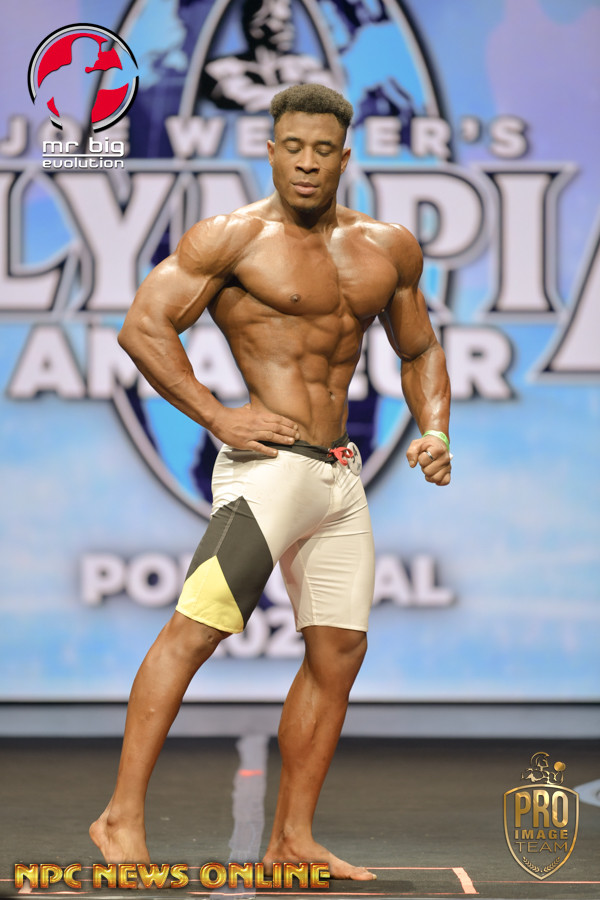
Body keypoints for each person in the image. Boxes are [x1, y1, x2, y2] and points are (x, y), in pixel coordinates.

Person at [89, 83, 452, 881]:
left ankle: (292, 839)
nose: (307, 163)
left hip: (339, 480)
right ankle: (119, 818)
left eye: (322, 150)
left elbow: (420, 348)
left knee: (340, 651)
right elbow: (143, 327)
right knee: (195, 632)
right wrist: (218, 416)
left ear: (344, 156)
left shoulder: (386, 246)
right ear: (271, 149)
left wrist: (434, 430)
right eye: (293, 148)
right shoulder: (232, 239)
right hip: (268, 476)